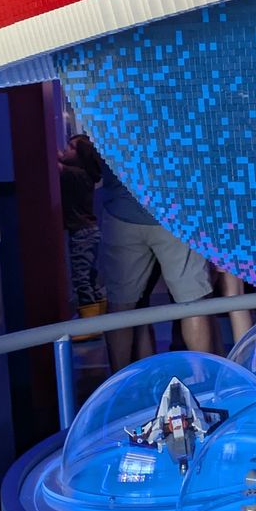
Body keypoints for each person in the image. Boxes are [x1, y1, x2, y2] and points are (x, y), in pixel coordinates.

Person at [96, 152, 218, 370]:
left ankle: (119, 389)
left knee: (121, 307)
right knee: (192, 304)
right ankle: (203, 382)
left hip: (122, 213)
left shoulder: (110, 117)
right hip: (176, 212)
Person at [60, 134, 104, 319]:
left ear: (80, 156)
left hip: (82, 234)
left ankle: (89, 320)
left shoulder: (76, 175)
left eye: (70, 147)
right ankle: (99, 311)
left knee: (81, 278)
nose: (65, 149)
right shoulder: (85, 176)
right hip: (89, 232)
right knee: (89, 276)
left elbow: (55, 165)